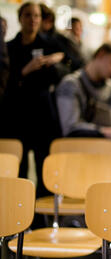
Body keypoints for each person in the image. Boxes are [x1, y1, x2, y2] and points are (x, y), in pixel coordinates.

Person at [1, 2, 65, 200]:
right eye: (28, 15)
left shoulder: (51, 44)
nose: (33, 20)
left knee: (43, 164)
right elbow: (5, 82)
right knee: (19, 166)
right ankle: (17, 212)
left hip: (43, 112)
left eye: (36, 16)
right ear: (20, 18)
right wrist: (25, 71)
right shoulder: (10, 47)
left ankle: (41, 218)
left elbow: (71, 63)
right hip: (17, 112)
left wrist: (57, 60)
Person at [55, 41, 111, 165]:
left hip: (110, 147)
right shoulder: (71, 84)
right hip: (78, 151)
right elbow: (71, 127)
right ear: (101, 55)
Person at [39, 3, 85, 72]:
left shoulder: (58, 38)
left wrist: (61, 56)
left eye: (50, 21)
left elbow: (74, 60)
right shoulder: (35, 38)